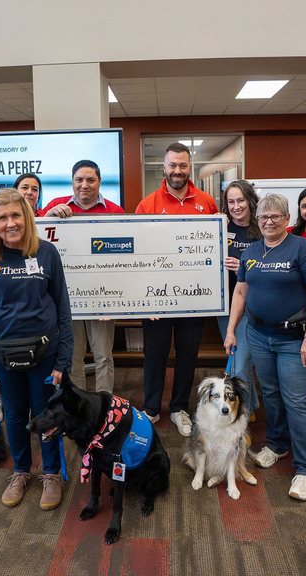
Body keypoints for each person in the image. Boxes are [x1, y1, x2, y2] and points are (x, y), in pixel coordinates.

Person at [0, 188, 72, 509]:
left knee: (47, 415)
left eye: (16, 215)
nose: (10, 223)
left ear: (26, 218)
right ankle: (21, 471)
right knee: (13, 417)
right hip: (1, 353)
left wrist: (63, 361)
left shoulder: (46, 253)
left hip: (44, 353)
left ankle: (51, 473)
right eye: (2, 218)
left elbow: (63, 309)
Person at [224, 193, 306, 500]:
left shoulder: (302, 248)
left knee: (297, 400)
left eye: (275, 217)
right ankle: (277, 445)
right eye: (263, 217)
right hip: (258, 334)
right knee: (269, 393)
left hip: (295, 339)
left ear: (286, 219)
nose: (268, 222)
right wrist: (231, 331)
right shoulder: (252, 251)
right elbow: (241, 293)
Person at [135, 143, 218, 437]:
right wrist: (146, 299)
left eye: (183, 166)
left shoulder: (207, 202)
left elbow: (214, 246)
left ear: (190, 167)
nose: (177, 171)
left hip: (194, 298)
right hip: (156, 299)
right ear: (164, 167)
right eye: (172, 165)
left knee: (187, 355)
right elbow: (139, 255)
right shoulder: (147, 204)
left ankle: (180, 407)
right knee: (154, 355)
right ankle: (152, 408)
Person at [41, 160, 123, 394]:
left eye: (90, 180)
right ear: (73, 181)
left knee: (103, 357)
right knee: (72, 358)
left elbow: (125, 259)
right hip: (68, 299)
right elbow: (36, 243)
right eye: (79, 180)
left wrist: (116, 302)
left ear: (99, 182)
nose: (84, 185)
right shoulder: (56, 206)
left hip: (103, 298)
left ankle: (104, 406)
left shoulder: (114, 211)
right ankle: (78, 408)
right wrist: (47, 217)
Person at [218, 179, 261, 413]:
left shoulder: (262, 227)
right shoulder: (220, 227)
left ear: (250, 200)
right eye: (231, 201)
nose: (236, 206)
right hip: (225, 303)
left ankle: (244, 412)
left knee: (241, 360)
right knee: (234, 359)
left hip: (253, 303)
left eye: (240, 200)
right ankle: (249, 406)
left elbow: (269, 265)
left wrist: (242, 268)